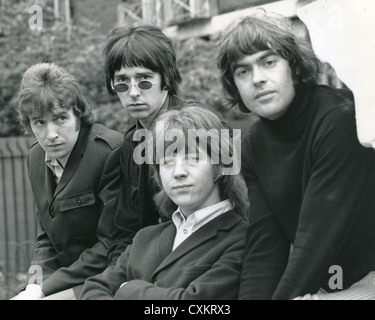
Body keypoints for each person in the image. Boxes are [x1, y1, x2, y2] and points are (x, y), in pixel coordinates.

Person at [217, 12, 375, 300]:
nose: (258, 79)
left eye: (268, 62)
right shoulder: (253, 144)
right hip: (328, 284)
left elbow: (316, 238)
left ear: (293, 64)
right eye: (243, 71)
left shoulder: (338, 118)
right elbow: (264, 248)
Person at [79, 105, 249, 300]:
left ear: (219, 165)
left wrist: (128, 290)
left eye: (192, 158)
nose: (178, 172)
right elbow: (94, 288)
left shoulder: (243, 239)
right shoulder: (145, 238)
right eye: (167, 162)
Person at [80, 21, 185, 280]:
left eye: (144, 80)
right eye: (122, 83)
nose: (134, 92)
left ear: (166, 79)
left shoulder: (202, 130)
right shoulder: (131, 144)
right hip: (142, 271)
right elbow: (125, 232)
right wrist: (117, 281)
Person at [12, 62, 123, 300]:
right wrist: (33, 286)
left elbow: (111, 244)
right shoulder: (35, 157)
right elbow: (47, 238)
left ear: (78, 114)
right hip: (61, 281)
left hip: (107, 279)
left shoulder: (109, 152)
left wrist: (45, 290)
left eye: (60, 118)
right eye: (39, 122)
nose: (50, 134)